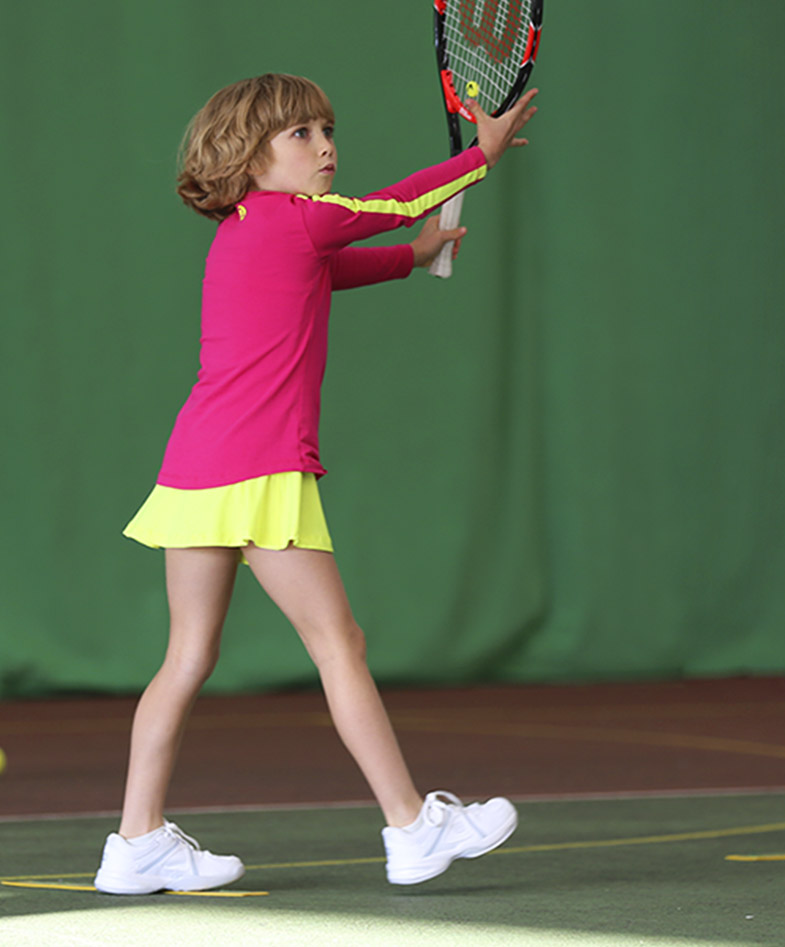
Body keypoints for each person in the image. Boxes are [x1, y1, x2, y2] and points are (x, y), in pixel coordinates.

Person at [94, 73, 538, 895]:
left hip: (195, 466)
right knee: (340, 644)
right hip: (260, 468)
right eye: (301, 133)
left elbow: (328, 274)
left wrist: (414, 258)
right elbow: (394, 204)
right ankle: (412, 825)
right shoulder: (301, 219)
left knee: (186, 655)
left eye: (327, 130)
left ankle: (135, 839)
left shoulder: (246, 233)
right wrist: (479, 156)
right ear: (248, 153)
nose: (325, 146)